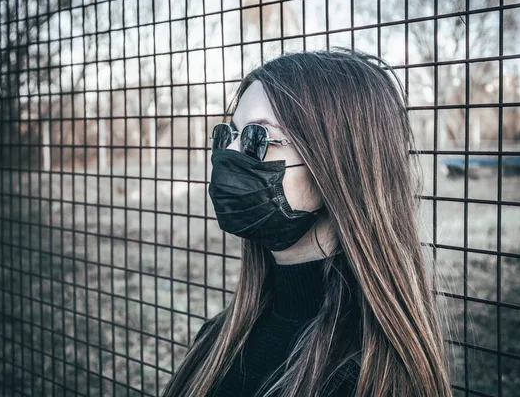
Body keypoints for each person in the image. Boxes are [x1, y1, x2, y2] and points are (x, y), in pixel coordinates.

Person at [161, 47, 453, 397]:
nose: (229, 155)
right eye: (230, 135)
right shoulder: (220, 337)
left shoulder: (358, 380)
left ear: (337, 165)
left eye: (257, 138)